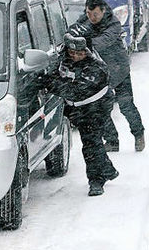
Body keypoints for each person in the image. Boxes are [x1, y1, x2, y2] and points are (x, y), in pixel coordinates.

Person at [44, 32, 119, 196]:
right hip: (77, 109)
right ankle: (108, 169)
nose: (76, 57)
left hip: (96, 108)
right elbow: (51, 74)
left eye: (80, 53)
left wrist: (52, 83)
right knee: (92, 141)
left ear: (88, 52)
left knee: (91, 144)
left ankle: (96, 181)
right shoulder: (63, 58)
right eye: (72, 53)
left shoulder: (96, 68)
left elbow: (73, 90)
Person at [71, 0, 145, 152]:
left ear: (103, 11)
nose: (91, 18)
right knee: (99, 108)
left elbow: (102, 41)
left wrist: (83, 43)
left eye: (95, 14)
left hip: (119, 70)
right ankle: (112, 140)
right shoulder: (85, 20)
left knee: (126, 105)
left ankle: (139, 135)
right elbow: (74, 30)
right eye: (88, 13)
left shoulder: (113, 23)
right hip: (100, 72)